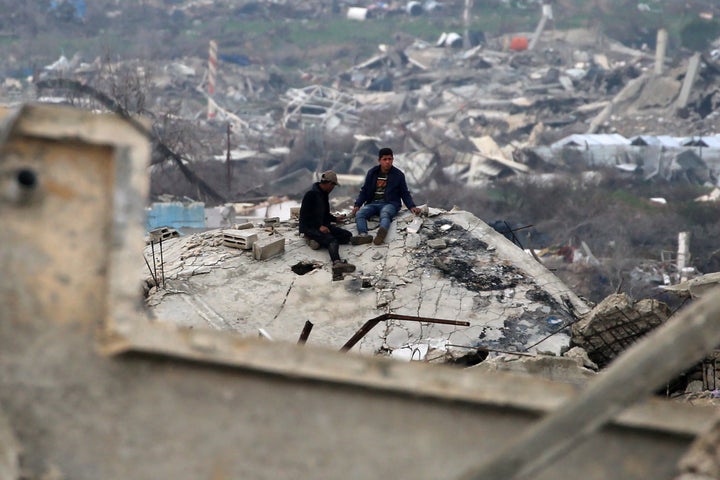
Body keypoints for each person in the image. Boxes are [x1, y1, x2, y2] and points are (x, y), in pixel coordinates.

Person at [351, 147, 421, 245]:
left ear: (392, 159)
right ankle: (363, 235)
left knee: (385, 213)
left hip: (390, 203)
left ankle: (381, 234)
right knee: (360, 214)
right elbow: (365, 190)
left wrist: (412, 206)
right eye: (385, 159)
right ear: (379, 160)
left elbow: (404, 193)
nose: (387, 162)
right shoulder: (372, 172)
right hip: (372, 203)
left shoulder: (398, 175)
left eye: (390, 159)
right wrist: (357, 205)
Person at [299, 170, 356, 275]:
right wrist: (318, 226)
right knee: (332, 241)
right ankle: (337, 263)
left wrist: (335, 219)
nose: (333, 188)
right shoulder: (311, 195)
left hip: (323, 225)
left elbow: (325, 213)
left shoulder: (324, 194)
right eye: (333, 186)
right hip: (310, 227)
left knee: (347, 236)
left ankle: (317, 241)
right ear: (330, 184)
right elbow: (304, 216)